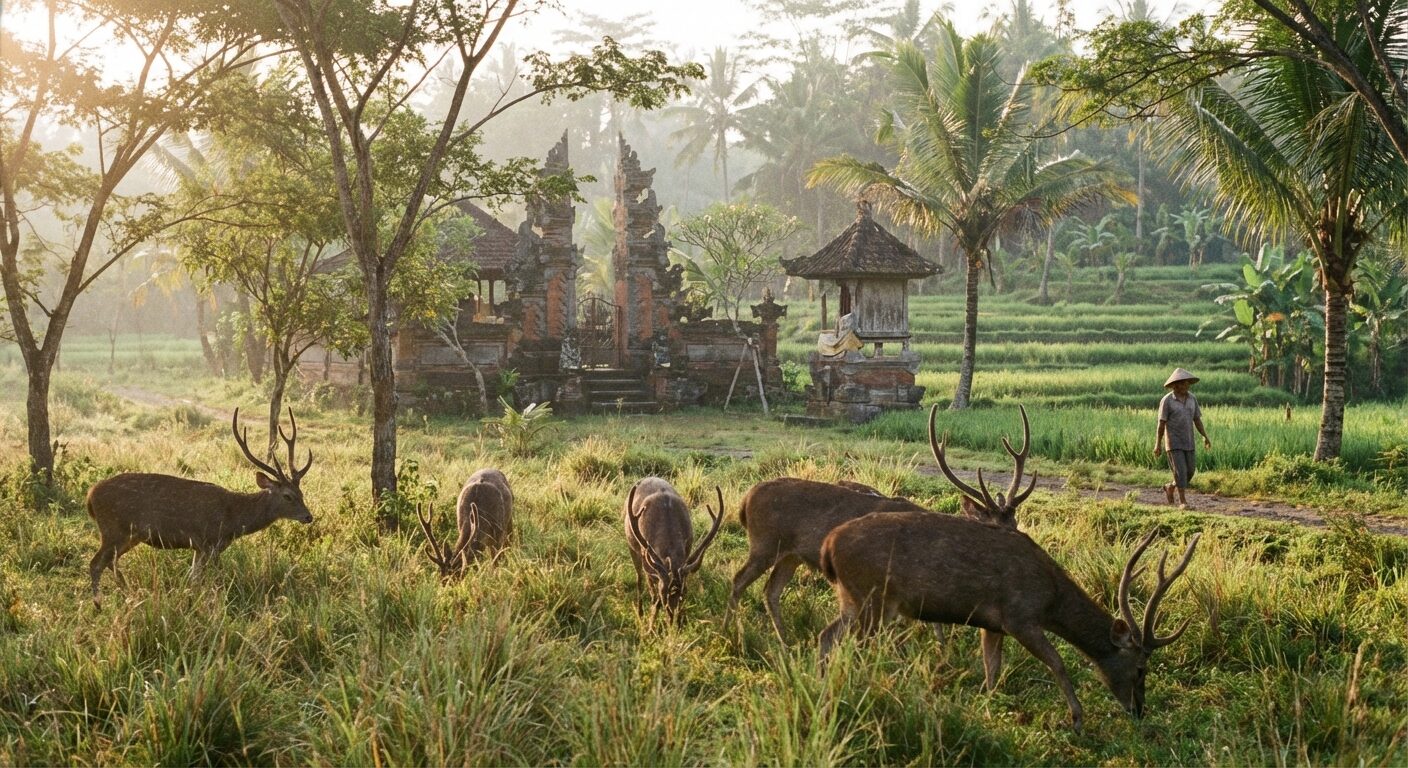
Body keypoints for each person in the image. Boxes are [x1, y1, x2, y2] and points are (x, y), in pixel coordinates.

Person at [1154, 367, 1211, 509]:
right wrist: (1158, 444)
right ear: (1176, 384)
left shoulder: (1192, 399)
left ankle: (1170, 486)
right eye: (1184, 383)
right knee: (1180, 471)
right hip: (1173, 442)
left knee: (1190, 471)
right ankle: (1183, 501)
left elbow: (1197, 420)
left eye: (1188, 383)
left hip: (1189, 440)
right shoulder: (1167, 401)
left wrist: (1205, 436)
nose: (1187, 386)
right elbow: (1161, 424)